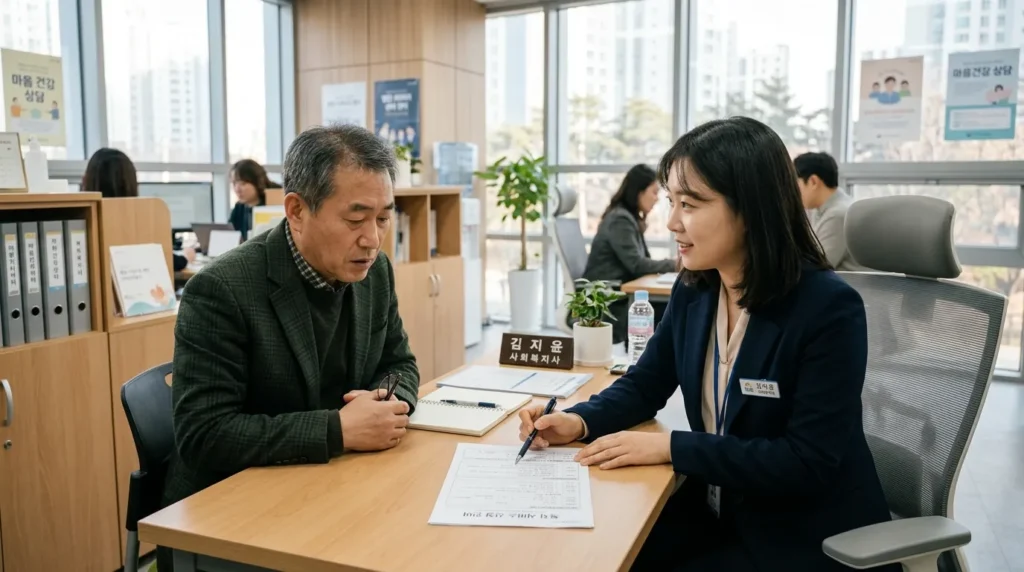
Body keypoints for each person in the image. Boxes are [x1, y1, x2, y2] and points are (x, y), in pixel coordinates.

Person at [517, 117, 895, 572]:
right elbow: (644, 384)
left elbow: (807, 461)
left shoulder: (828, 309)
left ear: (752, 209)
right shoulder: (695, 290)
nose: (673, 221)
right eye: (671, 201)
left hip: (802, 534)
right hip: (720, 510)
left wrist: (674, 448)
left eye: (691, 204)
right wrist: (577, 420)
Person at [158, 124, 418, 569]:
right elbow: (205, 434)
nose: (373, 239)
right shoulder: (223, 290)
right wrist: (338, 429)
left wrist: (386, 406)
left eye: (383, 217)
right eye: (356, 219)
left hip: (333, 488)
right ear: (296, 210)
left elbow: (400, 362)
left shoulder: (374, 272)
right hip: (231, 518)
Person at [583, 164, 677, 343]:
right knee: (669, 310)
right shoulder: (620, 220)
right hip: (611, 301)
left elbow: (642, 262)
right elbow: (638, 265)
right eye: (654, 192)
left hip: (620, 295)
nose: (657, 199)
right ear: (638, 192)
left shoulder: (628, 218)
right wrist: (676, 264)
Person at [81, 147, 194, 271]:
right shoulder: (134, 222)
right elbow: (165, 261)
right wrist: (186, 257)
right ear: (130, 183)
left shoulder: (81, 222)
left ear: (87, 180)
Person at [794, 151, 868, 271]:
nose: (793, 192)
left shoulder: (838, 214)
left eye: (796, 184)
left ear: (813, 182)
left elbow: (818, 265)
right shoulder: (818, 209)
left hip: (853, 287)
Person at [228, 158, 270, 240]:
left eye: (243, 183)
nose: (237, 189)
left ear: (257, 182)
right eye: (234, 183)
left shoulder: (272, 205)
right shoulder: (239, 208)